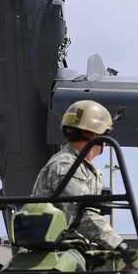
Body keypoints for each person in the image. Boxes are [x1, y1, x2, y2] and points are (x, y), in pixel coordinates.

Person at [32, 99, 125, 251]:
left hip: (72, 248)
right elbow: (79, 216)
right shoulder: (67, 166)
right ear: (96, 135)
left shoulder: (78, 165)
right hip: (61, 250)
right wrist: (119, 245)